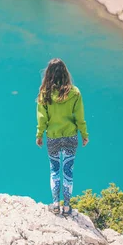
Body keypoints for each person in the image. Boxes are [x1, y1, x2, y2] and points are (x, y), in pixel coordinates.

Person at [36, 58, 88, 216]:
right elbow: (80, 117)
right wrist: (84, 134)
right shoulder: (75, 93)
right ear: (66, 73)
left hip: (52, 137)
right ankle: (66, 207)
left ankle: (55, 205)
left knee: (54, 170)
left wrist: (39, 135)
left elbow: (42, 118)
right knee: (68, 171)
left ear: (48, 75)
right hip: (71, 136)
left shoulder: (44, 94)